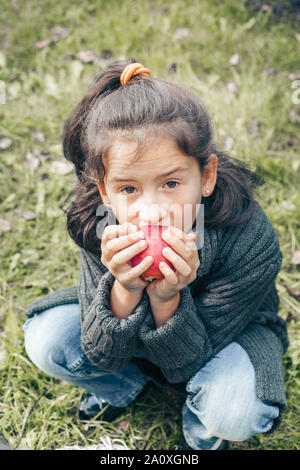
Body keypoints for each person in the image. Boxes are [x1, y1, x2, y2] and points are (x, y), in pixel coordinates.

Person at [23, 60, 289, 450]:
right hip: (131, 337)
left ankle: (201, 429)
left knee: (234, 410)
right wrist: (124, 288)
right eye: (129, 189)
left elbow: (192, 360)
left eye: (171, 183)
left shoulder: (249, 240)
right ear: (104, 192)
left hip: (226, 337)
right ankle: (124, 387)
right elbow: (98, 350)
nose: (152, 211)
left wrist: (167, 297)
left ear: (207, 176)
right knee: (46, 339)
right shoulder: (101, 228)